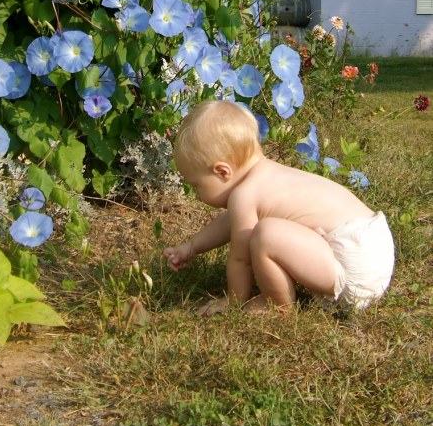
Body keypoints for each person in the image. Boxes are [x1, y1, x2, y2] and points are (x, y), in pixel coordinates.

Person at [163, 99, 394, 315]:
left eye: (196, 185)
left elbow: (240, 260)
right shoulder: (267, 176)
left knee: (266, 235)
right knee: (266, 231)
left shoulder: (244, 196)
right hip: (374, 246)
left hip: (354, 266)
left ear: (222, 171)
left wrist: (234, 300)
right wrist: (192, 247)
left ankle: (277, 303)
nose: (196, 193)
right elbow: (232, 222)